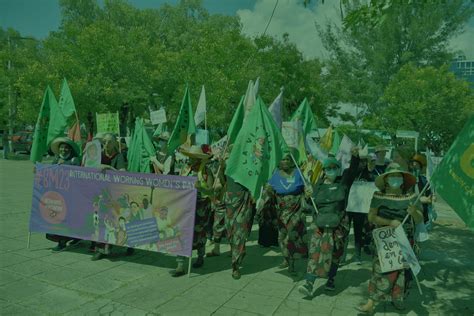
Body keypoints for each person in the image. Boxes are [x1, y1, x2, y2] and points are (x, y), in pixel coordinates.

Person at [358, 163, 423, 313]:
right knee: (380, 269)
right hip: (384, 239)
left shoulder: (411, 196)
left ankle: (397, 298)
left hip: (405, 238)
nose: (395, 179)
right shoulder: (378, 196)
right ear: (386, 180)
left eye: (398, 176)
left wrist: (414, 212)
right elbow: (371, 217)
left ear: (403, 179)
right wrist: (390, 223)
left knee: (401, 271)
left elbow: (419, 219)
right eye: (392, 176)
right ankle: (371, 302)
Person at [299, 148, 360, 296]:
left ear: (338, 169)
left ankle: (331, 279)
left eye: (334, 168)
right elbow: (309, 207)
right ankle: (309, 282)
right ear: (324, 170)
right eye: (328, 168)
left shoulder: (344, 183)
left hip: (339, 225)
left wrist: (355, 157)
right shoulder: (317, 186)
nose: (331, 170)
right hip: (319, 224)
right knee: (315, 251)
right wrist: (307, 198)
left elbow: (352, 170)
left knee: (335, 253)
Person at [258, 151, 312, 274]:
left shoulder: (298, 173)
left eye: (288, 159)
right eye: (283, 159)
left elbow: (307, 188)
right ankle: (286, 258)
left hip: (296, 211)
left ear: (292, 161)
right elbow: (268, 191)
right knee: (282, 237)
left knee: (291, 237)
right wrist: (260, 206)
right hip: (281, 212)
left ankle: (291, 264)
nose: (285, 161)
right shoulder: (275, 175)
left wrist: (308, 191)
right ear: (279, 162)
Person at [170, 145, 213, 277]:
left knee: (199, 234)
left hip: (201, 207)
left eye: (193, 158)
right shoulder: (185, 169)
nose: (190, 160)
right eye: (190, 157)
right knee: (181, 233)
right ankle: (180, 265)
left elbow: (210, 190)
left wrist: (200, 188)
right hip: (184, 207)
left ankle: (200, 257)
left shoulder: (206, 172)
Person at [92, 133, 127, 261]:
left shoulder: (118, 156)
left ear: (114, 143)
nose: (107, 144)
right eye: (105, 141)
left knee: (111, 222)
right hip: (98, 191)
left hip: (112, 193)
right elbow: (88, 166)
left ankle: (108, 248)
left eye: (110, 142)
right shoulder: (98, 154)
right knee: (98, 221)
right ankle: (99, 248)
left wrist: (108, 167)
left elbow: (122, 173)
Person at [45, 137, 81, 251]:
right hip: (57, 194)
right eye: (61, 148)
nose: (63, 150)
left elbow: (77, 174)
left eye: (66, 148)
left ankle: (63, 242)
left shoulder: (74, 160)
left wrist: (64, 166)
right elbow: (50, 173)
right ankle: (63, 239)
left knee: (67, 219)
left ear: (70, 149)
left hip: (70, 195)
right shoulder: (56, 159)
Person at [345, 153, 378, 264]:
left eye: (364, 162)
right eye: (360, 161)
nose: (362, 164)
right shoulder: (347, 173)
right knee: (344, 231)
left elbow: (373, 187)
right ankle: (342, 255)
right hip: (347, 208)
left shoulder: (368, 175)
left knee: (358, 232)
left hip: (360, 209)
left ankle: (357, 256)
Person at [409, 154, 434, 227]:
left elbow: (429, 197)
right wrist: (420, 199)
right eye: (412, 164)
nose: (414, 167)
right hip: (409, 216)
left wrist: (430, 198)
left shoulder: (424, 181)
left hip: (422, 216)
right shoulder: (406, 180)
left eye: (416, 165)